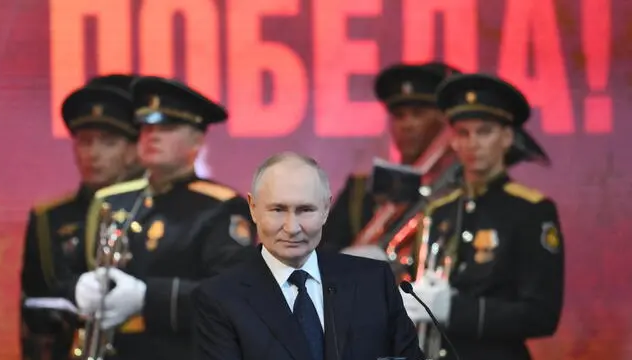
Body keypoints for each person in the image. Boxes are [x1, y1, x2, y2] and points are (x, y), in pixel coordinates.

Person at [69, 76, 255, 360]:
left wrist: (147, 297)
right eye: (146, 127)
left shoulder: (220, 207)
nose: (152, 136)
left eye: (167, 128)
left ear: (197, 140)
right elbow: (65, 276)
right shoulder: (112, 201)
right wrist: (80, 288)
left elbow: (232, 296)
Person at [192, 152, 424, 360]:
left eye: (305, 210)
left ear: (325, 209)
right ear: (253, 208)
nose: (292, 227)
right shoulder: (219, 298)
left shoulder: (373, 280)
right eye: (277, 210)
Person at [401, 73, 564, 360]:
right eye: (463, 133)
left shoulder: (531, 210)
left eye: (484, 131)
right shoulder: (438, 211)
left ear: (507, 137)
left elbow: (542, 315)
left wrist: (457, 310)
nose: (472, 143)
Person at [20, 84, 140, 360]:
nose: (93, 153)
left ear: (134, 149)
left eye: (108, 141)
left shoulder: (155, 211)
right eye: (85, 141)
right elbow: (35, 306)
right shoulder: (49, 217)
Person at [322, 62, 461, 279]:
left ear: (443, 120)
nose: (407, 124)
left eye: (418, 113)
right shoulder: (360, 191)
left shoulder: (459, 190)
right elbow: (325, 249)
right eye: (399, 115)